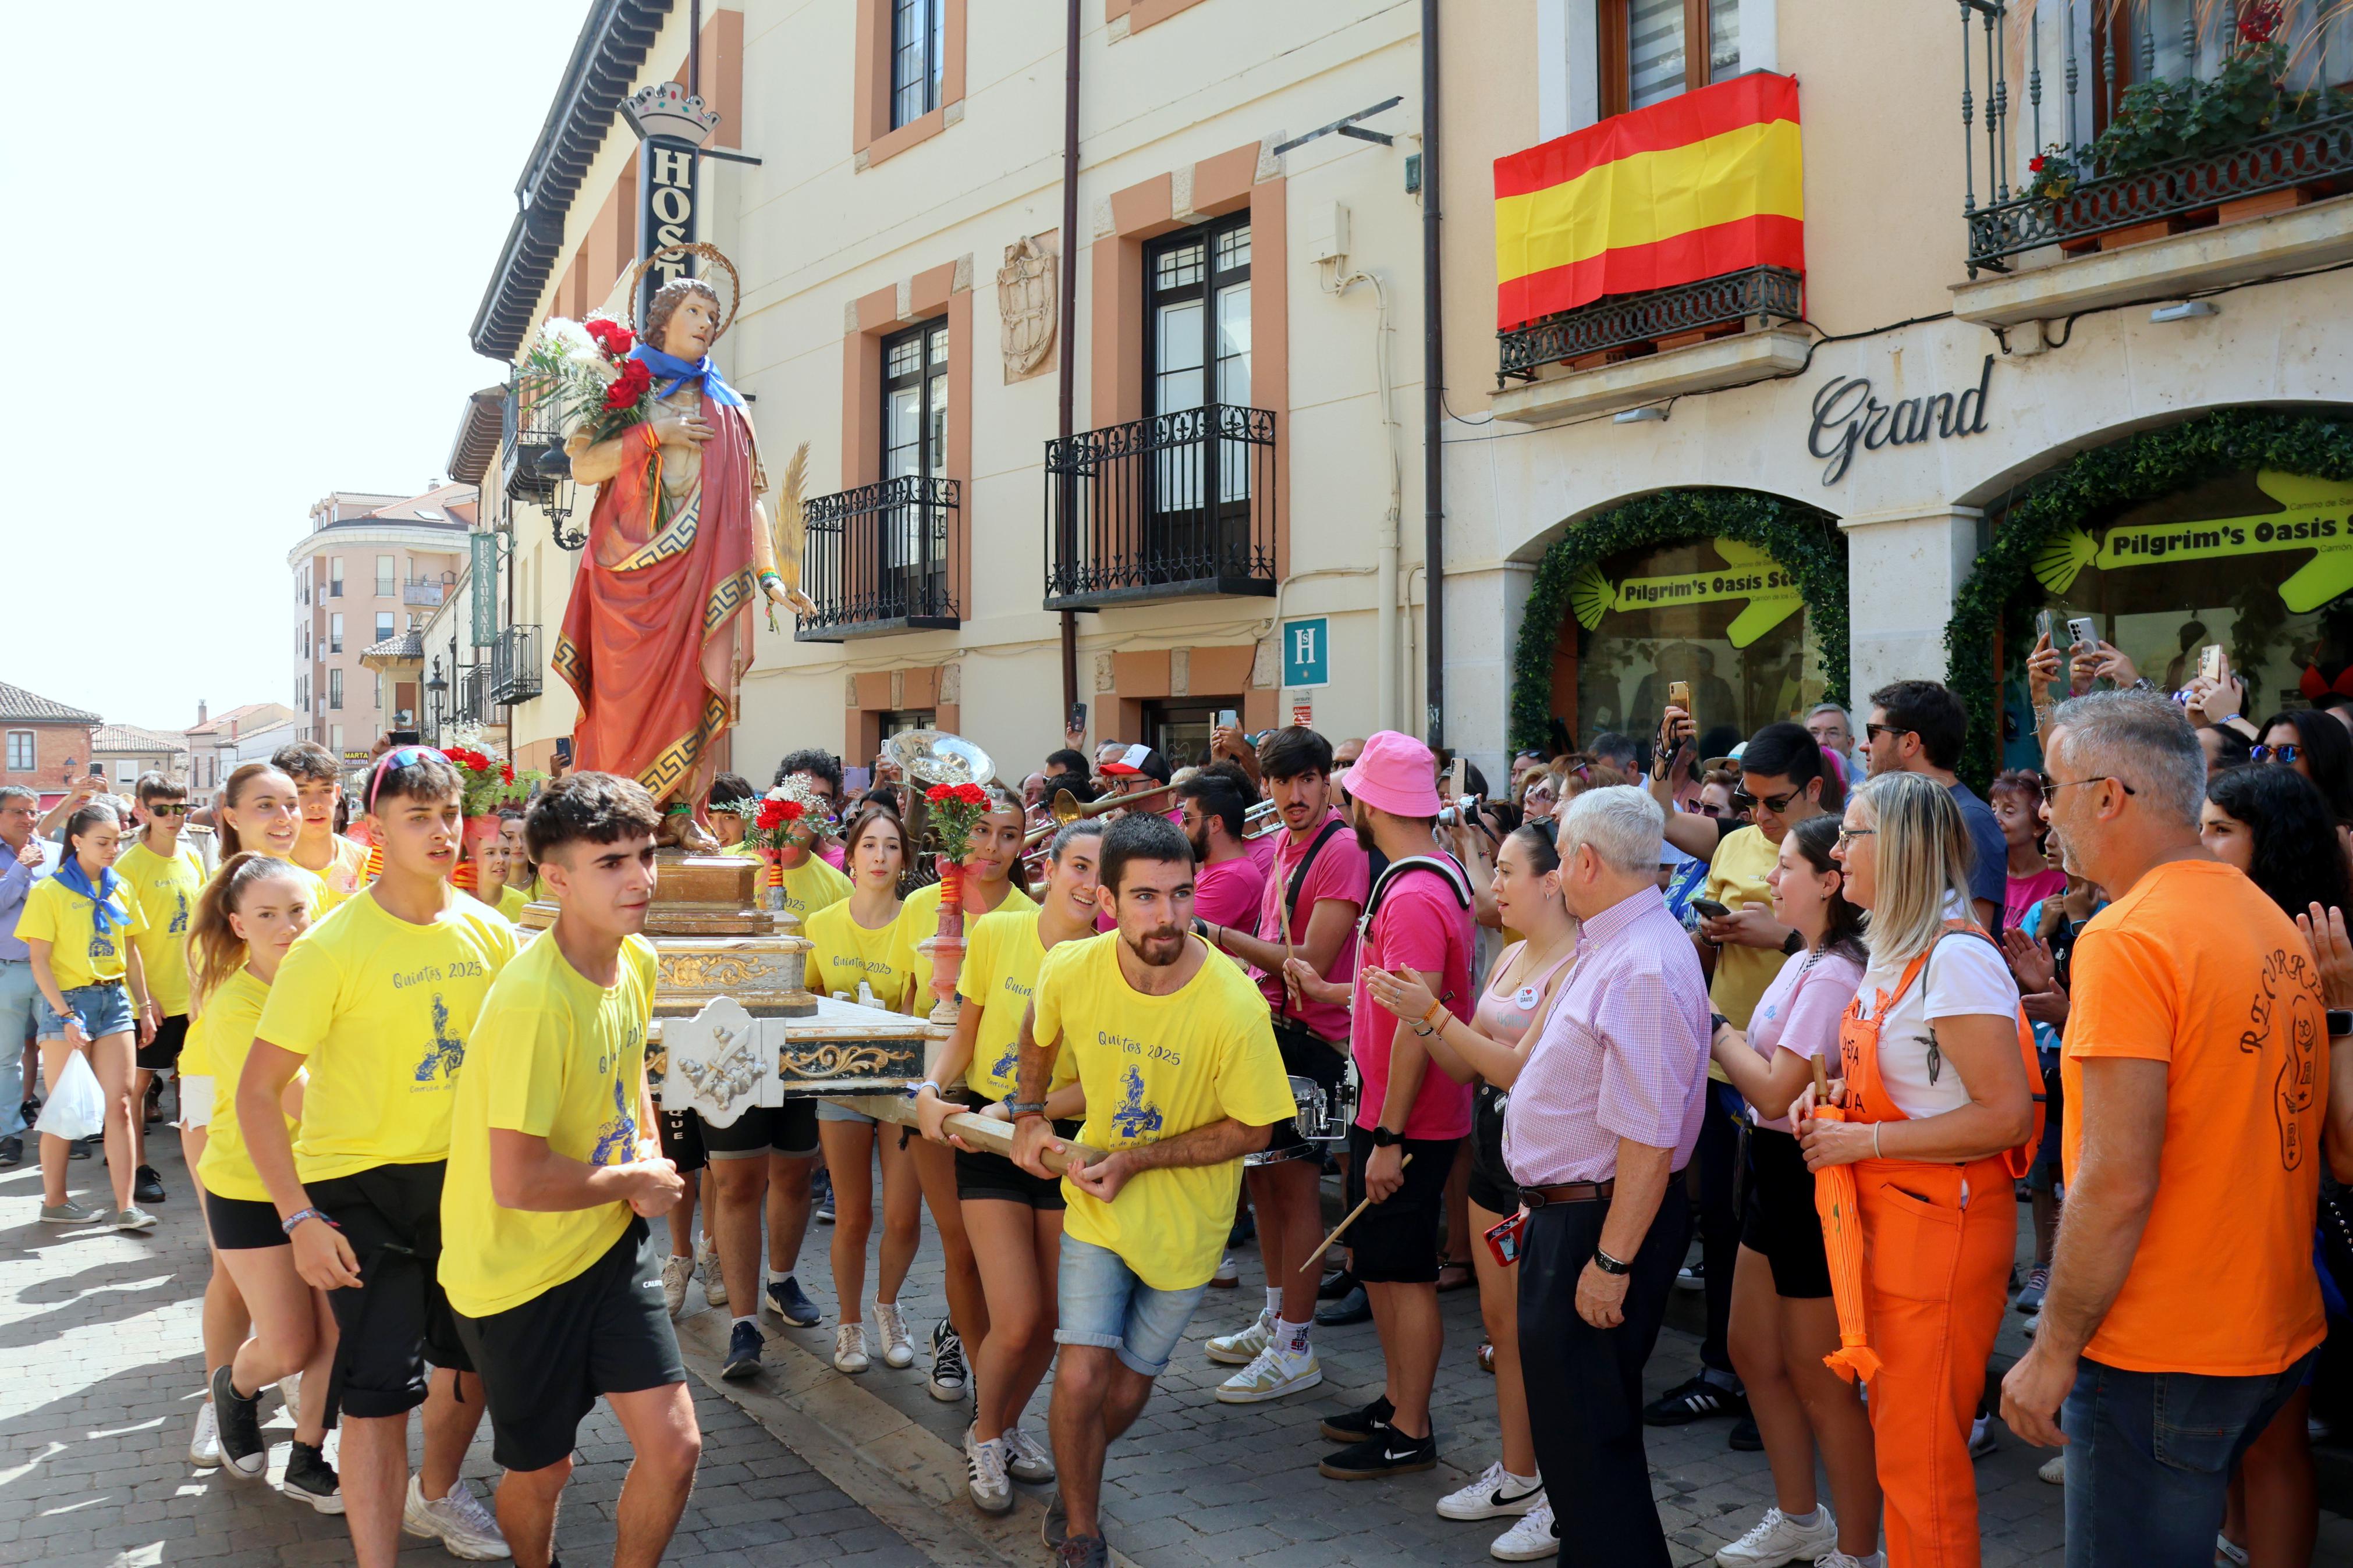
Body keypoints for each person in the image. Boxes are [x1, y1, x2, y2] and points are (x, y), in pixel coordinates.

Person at [2001, 692, 2330, 1568]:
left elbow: (2113, 1178)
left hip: (2157, 1346)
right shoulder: (2264, 917)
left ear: (2108, 796)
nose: (2043, 810)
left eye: (2055, 786)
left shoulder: (2128, 936)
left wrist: (2050, 1348)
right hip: (2264, 1327)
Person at [239, 747, 515, 1565]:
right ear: (376, 829)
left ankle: (439, 1490)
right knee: (378, 1396)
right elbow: (258, 1094)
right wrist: (298, 1218)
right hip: (359, 1189)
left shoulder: (492, 932)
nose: (440, 831)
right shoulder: (329, 945)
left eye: (448, 812)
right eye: (416, 816)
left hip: (466, 1185)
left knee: (468, 1370)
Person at [1009, 813, 1296, 1568]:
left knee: (1128, 1390)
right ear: (1105, 898)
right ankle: (1082, 1529)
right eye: (1142, 895)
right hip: (1096, 1213)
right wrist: (1027, 1111)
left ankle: (1076, 1475)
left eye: (1178, 894)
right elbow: (1037, 1026)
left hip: (1187, 1230)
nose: (1164, 915)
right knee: (1078, 1369)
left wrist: (1135, 1159)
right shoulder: (1071, 966)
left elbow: (1257, 1128)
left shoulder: (1233, 1004)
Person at [439, 773, 701, 1568]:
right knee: (544, 1468)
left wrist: (646, 1152)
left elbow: (625, 1080)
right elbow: (515, 1179)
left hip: (606, 1247)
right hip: (513, 1273)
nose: (640, 878)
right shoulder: (530, 1000)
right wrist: (632, 1181)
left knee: (675, 1445)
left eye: (646, 855)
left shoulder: (639, 959)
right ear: (555, 877)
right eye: (612, 861)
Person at [1798, 771, 2035, 1568]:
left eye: (1849, 833)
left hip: (1939, 1230)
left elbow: (2007, 1115)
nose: (1834, 849)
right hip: (1897, 1222)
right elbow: (1915, 1087)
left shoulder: (1954, 957)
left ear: (1896, 847)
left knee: (1920, 1461)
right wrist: (1833, 1102)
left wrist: (1861, 1145)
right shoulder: (1893, 943)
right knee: (1901, 1449)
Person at [1501, 786, 1709, 1566]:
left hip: (1598, 1224)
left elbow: (1648, 1140)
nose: (1553, 873)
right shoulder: (1615, 942)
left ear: (1584, 860)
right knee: (1579, 1447)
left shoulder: (1643, 961)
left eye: (1557, 856)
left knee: (1591, 1449)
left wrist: (1610, 1261)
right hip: (1577, 1218)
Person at [1363, 822, 1578, 1559]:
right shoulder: (1511, 953)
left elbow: (1516, 1068)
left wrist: (1428, 1014)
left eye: (1507, 871)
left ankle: (1564, 1493)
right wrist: (1411, 1014)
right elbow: (1465, 1069)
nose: (1493, 886)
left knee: (1546, 1338)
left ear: (1552, 881)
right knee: (1503, 1327)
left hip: (1546, 1172)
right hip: (1492, 1158)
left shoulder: (1575, 963)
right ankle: (1518, 1473)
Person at [1280, 731, 1474, 1480]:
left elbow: (1416, 1030)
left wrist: (1389, 1135)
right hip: (1394, 1113)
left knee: (1401, 1273)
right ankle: (1396, 1403)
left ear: (1371, 802)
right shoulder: (1419, 876)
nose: (1344, 801)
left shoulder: (1417, 890)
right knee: (1382, 1267)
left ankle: (1411, 1426)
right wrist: (1336, 991)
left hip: (1406, 1117)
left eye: (1353, 790)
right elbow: (1392, 994)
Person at [556, 274, 805, 851]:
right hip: (628, 576)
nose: (705, 323)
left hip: (701, 575)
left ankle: (677, 813)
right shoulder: (623, 386)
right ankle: (611, 817)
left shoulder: (730, 405)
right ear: (663, 319)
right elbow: (585, 467)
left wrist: (770, 577)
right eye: (694, 310)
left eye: (713, 316)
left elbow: (750, 502)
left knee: (694, 694)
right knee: (621, 708)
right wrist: (656, 432)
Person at [1705, 816, 1881, 1568]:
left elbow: (1777, 1087)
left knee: (1821, 1379)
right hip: (1768, 1167)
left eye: (1784, 866)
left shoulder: (1835, 968)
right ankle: (1797, 1515)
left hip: (1806, 1177)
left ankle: (1856, 1546)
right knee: (1751, 1347)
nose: (1769, 880)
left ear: (1827, 881)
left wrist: (1713, 1030)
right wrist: (1731, 1039)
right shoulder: (1804, 955)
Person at [913, 819, 1103, 1513]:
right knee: (1017, 1317)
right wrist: (934, 1090)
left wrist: (1025, 1108)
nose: (1088, 884)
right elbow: (963, 1032)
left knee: (1052, 1316)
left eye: (1100, 873)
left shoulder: (1110, 958)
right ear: (1048, 870)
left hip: (1060, 1141)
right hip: (990, 1141)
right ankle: (986, 1435)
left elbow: (1097, 1080)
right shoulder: (994, 933)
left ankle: (1009, 1421)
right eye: (1078, 866)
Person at [1656, 723, 1836, 1438]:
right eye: (1749, 802)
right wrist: (1709, 937)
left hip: (1796, 1078)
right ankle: (1729, 1374)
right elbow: (1659, 825)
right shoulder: (1731, 842)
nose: (1758, 818)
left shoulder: (1836, 850)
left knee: (1790, 1241)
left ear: (1814, 790)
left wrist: (1782, 937)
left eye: (1773, 803)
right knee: (1728, 1227)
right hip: (1724, 1059)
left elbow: (1849, 950)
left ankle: (1788, 1388)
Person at [2196, 762, 2348, 1568]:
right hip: (2222, 1216)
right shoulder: (2218, 930)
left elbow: (2342, 1145)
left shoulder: (2321, 947)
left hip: (2288, 1226)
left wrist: (2335, 1011)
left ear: (2272, 844)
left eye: (2219, 828)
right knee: (2229, 1431)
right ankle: (2234, 1536)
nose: (2197, 840)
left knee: (2271, 1434)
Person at [1194, 727, 1370, 1382]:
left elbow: (1311, 961)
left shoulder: (1341, 848)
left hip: (1316, 1043)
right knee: (1265, 1178)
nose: (1294, 794)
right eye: (1281, 781)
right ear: (1264, 784)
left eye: (1307, 780)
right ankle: (1276, 1318)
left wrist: (1214, 934)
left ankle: (1295, 1347)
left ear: (1327, 781)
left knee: (1294, 1190)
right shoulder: (1285, 846)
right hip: (1275, 1029)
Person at [185, 852, 342, 1510]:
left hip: (333, 1177)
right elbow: (301, 1101)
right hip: (250, 1189)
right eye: (268, 915)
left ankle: (309, 1455)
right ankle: (234, 1387)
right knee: (287, 1344)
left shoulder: (332, 978)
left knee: (341, 1332)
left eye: (299, 910)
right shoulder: (232, 1005)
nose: (288, 927)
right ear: (238, 923)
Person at [895, 784, 1034, 1394]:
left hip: (1002, 1099)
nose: (992, 847)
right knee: (958, 1244)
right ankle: (974, 1366)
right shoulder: (922, 904)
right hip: (936, 1088)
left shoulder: (1035, 918)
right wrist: (918, 1088)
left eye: (1007, 834)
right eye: (980, 830)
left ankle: (982, 1372)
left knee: (997, 1254)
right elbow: (907, 1004)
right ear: (958, 834)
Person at [804, 805, 924, 1374]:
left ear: (904, 859)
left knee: (903, 1218)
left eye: (891, 846)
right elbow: (807, 1001)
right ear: (849, 856)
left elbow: (922, 1002)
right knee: (851, 1215)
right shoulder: (821, 924)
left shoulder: (918, 920)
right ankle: (848, 1325)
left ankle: (887, 1307)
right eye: (869, 845)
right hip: (842, 1086)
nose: (880, 856)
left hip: (901, 1088)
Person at [20, 801, 155, 1231]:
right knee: (64, 1108)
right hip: (69, 1005)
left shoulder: (121, 886)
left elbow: (131, 950)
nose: (113, 848)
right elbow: (38, 961)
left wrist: (145, 1006)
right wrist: (64, 1015)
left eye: (117, 840)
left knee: (119, 1103)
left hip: (114, 1001)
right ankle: (55, 1201)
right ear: (76, 841)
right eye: (103, 841)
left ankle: (126, 1205)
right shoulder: (50, 891)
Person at [114, 771, 206, 1206]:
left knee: (199, 1081)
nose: (174, 818)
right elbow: (125, 940)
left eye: (180, 808)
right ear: (142, 810)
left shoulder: (191, 856)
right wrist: (145, 1001)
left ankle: (204, 1159)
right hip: (150, 1000)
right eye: (162, 809)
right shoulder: (128, 866)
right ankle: (136, 1166)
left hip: (194, 996)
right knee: (136, 1086)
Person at [1862, 680, 2007, 932]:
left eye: (1874, 733)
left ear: (1910, 743)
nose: (1864, 746)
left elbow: (1971, 939)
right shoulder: (1899, 814)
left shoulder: (1971, 820)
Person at [0, 785, 47, 1169]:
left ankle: (69, 1132)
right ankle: (8, 1133)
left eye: (32, 811)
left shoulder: (51, 852)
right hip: (8, 970)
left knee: (65, 1050)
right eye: (17, 811)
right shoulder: (25, 858)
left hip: (52, 971)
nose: (27, 819)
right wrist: (20, 869)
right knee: (6, 1058)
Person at [273, 741, 372, 902]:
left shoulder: (366, 861)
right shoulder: (267, 870)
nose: (316, 803)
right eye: (302, 792)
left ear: (337, 794)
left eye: (325, 790)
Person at [1173, 771, 1266, 930]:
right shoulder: (1220, 870)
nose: (1180, 827)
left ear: (1215, 823)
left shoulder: (1234, 876)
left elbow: (1173, 930)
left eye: (1187, 819)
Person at [1989, 769, 2067, 933]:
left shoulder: (2062, 881)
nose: (1995, 818)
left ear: (2038, 827)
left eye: (2009, 811)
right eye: (1993, 808)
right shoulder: (1987, 876)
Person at [2250, 707, 2353, 825]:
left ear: (2323, 760)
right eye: (2262, 752)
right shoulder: (2254, 822)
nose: (2269, 763)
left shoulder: (2342, 837)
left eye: (2286, 753)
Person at [771, 749, 849, 870]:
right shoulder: (738, 859)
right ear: (775, 795)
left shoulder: (844, 868)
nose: (811, 808)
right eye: (801, 795)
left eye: (822, 800)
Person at [1807, 704, 1870, 786]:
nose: (1822, 741)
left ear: (1849, 744)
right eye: (1814, 733)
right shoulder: (1793, 784)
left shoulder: (1865, 791)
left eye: (1833, 733)